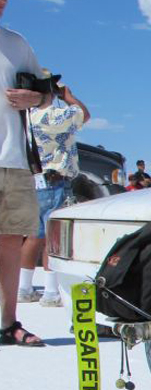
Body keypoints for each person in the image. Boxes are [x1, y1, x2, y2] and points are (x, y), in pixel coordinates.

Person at [0, 0, 52, 347]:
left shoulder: (16, 43)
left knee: (10, 242)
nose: (2, 0)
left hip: (13, 159)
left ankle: (8, 322)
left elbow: (46, 94)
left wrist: (33, 99)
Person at [17, 72, 88, 308]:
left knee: (33, 236)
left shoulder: (27, 117)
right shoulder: (54, 115)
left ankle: (24, 288)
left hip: (33, 180)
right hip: (55, 180)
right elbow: (83, 114)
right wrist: (68, 95)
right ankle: (50, 291)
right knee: (52, 237)